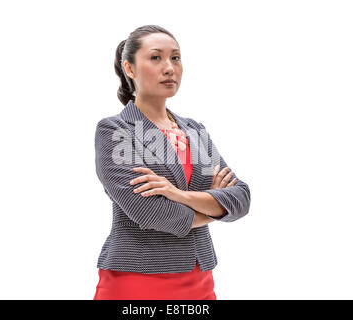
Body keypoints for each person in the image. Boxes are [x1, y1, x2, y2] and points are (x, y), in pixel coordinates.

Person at [93, 25, 251, 300]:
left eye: (175, 58)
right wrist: (214, 205)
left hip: (199, 280)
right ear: (129, 68)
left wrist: (178, 195)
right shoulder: (117, 131)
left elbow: (240, 198)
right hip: (137, 280)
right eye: (156, 58)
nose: (169, 68)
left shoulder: (194, 131)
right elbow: (149, 212)